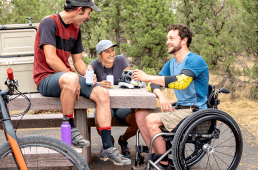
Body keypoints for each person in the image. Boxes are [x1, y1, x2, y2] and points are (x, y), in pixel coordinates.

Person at [33, 0, 131, 165]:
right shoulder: (49, 22)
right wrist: (73, 77)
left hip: (66, 77)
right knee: (71, 78)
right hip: (46, 78)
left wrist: (88, 75)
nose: (88, 17)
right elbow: (50, 58)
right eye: (88, 13)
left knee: (101, 92)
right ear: (79, 10)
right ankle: (70, 127)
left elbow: (78, 62)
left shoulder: (75, 29)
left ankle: (107, 146)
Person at [132, 23, 209, 170]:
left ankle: (163, 164)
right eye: (168, 38)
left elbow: (181, 82)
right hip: (180, 109)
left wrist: (148, 77)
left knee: (151, 119)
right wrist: (160, 95)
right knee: (141, 113)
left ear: (184, 40)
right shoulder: (171, 63)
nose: (168, 41)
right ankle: (156, 157)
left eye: (172, 38)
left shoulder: (195, 60)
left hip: (195, 111)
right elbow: (152, 85)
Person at [87, 40, 138, 158]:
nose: (111, 54)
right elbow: (86, 80)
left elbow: (129, 80)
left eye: (112, 50)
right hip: (103, 105)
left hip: (121, 105)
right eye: (107, 52)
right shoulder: (94, 64)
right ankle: (109, 143)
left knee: (138, 121)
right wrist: (98, 83)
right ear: (100, 55)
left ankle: (123, 140)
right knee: (99, 123)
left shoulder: (121, 60)